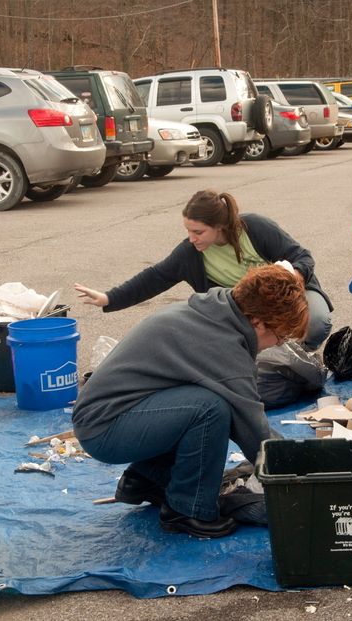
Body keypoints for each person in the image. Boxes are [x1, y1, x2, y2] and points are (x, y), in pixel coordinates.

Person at [72, 265, 308, 539]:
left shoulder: (217, 310)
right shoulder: (223, 345)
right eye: (279, 336)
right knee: (210, 409)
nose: (277, 344)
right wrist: (294, 470)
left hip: (111, 414)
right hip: (104, 428)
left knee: (198, 400)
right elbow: (251, 427)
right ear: (257, 321)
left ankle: (147, 479)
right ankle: (188, 511)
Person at [74, 189, 333, 351]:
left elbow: (303, 257)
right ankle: (266, 355)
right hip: (248, 314)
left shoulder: (254, 228)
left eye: (198, 232)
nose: (192, 238)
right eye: (188, 231)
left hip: (290, 297)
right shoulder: (190, 253)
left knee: (318, 323)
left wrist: (290, 276)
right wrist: (109, 298)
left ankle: (303, 354)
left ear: (220, 226)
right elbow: (155, 278)